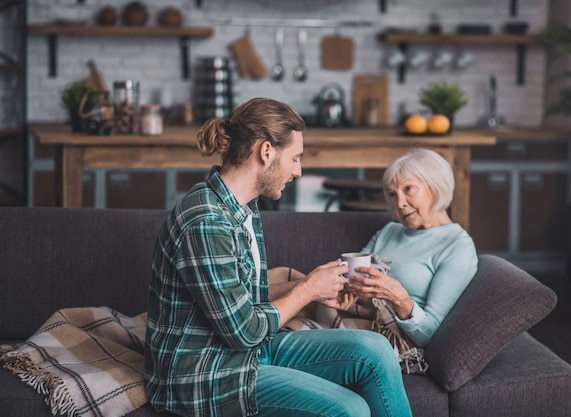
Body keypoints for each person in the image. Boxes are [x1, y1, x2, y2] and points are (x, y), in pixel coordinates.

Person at [144, 97, 413, 417]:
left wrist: (315, 286)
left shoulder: (243, 207)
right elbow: (245, 331)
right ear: (266, 151)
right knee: (349, 410)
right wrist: (306, 290)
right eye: (295, 158)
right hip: (206, 373)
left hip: (249, 352)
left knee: (375, 350)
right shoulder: (205, 222)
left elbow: (241, 300)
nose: (298, 171)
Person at [348, 148, 478, 348]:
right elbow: (353, 281)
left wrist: (400, 299)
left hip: (389, 340)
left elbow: (429, 333)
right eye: (392, 194)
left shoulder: (457, 246)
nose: (399, 203)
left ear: (435, 187)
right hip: (354, 318)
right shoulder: (389, 230)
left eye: (408, 189)